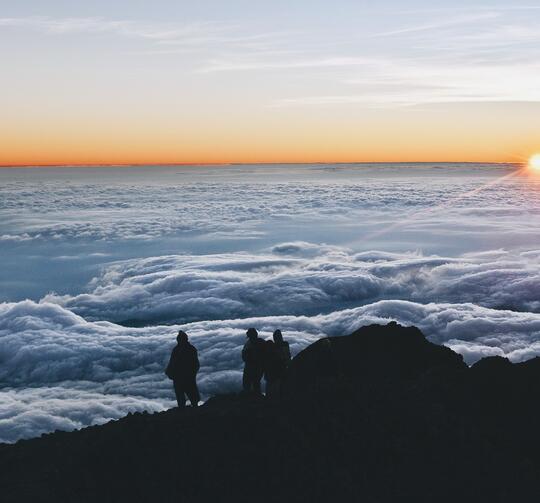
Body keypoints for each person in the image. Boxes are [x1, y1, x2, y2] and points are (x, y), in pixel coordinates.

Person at [165, 330, 200, 408]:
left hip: (187, 376)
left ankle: (194, 409)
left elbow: (195, 364)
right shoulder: (177, 350)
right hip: (179, 376)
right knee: (181, 396)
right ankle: (183, 410)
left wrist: (192, 374)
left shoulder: (190, 350)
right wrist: (169, 372)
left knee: (192, 395)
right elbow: (172, 362)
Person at [264, 330, 291, 399]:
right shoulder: (284, 345)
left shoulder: (273, 347)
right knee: (278, 390)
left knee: (273, 390)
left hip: (275, 373)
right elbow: (287, 357)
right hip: (281, 371)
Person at [242, 328, 265, 394]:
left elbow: (244, 357)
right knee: (255, 383)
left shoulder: (249, 344)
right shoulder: (261, 342)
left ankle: (252, 398)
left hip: (253, 367)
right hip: (256, 367)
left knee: (252, 383)